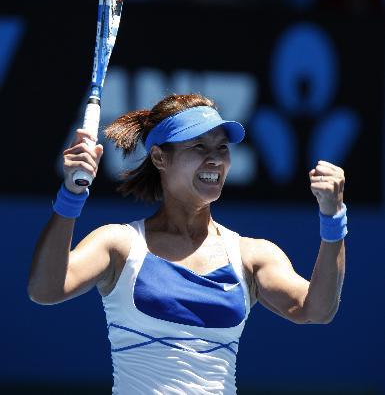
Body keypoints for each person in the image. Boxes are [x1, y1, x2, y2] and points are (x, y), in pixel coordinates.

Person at [28, 93, 347, 394]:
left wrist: (333, 218)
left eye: (222, 148)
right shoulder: (119, 245)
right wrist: (71, 194)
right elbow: (45, 290)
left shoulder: (252, 256)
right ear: (159, 158)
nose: (215, 160)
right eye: (198, 147)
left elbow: (316, 310)